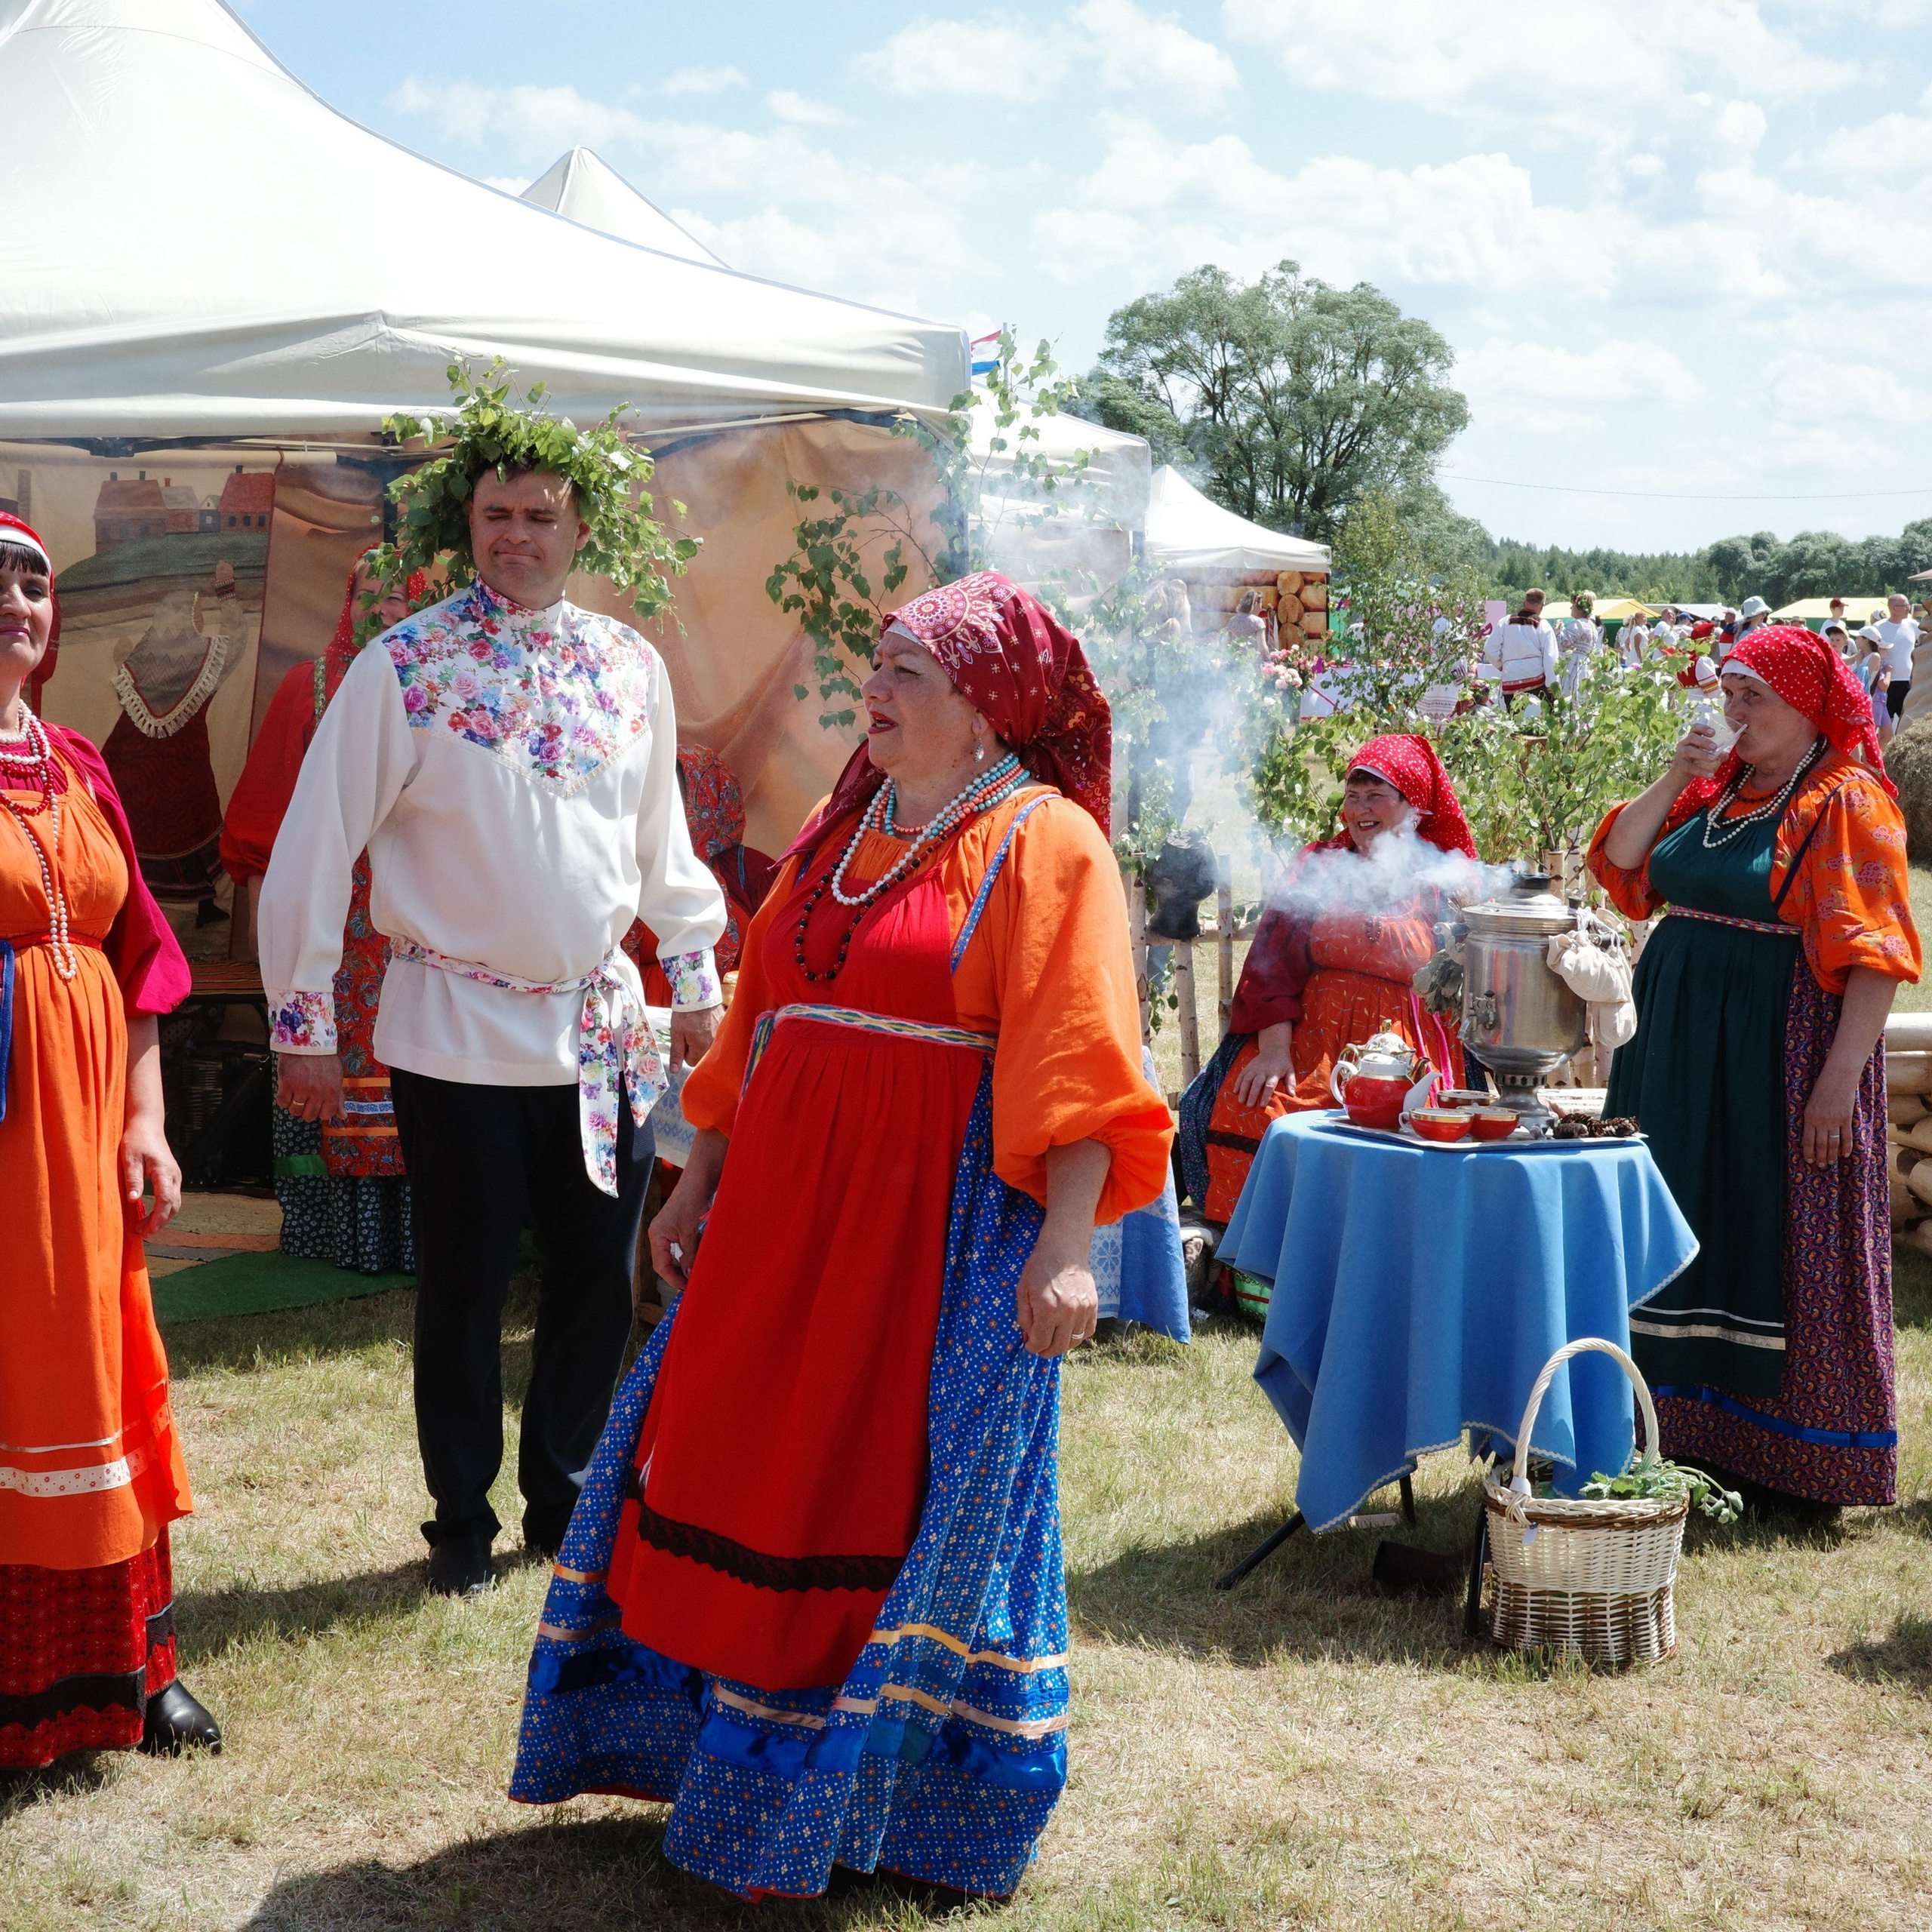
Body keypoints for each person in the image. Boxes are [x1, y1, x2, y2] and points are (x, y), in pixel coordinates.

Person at [508, 571, 1171, 1902]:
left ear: (989, 711)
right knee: (744, 1459)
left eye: (908, 672)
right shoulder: (837, 830)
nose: (872, 689)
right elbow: (763, 1015)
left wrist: (1070, 1244)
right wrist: (695, 1176)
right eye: (875, 662)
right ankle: (717, 1756)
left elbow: (1082, 1062)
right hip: (778, 1217)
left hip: (926, 1227)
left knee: (882, 1494)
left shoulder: (1050, 847)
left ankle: (892, 1804)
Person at [260, 438, 728, 1598]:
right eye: (495, 513)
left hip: (601, 1034)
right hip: (453, 1030)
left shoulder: (631, 667)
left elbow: (661, 846)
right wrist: (301, 1022)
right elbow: (316, 845)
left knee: (593, 1272)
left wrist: (695, 972)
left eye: (538, 514)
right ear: (466, 525)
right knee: (465, 1284)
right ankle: (460, 1521)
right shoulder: (403, 668)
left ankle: (563, 1496)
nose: (513, 534)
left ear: (582, 532)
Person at [1589, 626, 1918, 1513]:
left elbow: (1876, 957)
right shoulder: (1716, 787)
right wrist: (1672, 773)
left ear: (1809, 708)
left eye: (1752, 699)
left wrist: (1837, 1082)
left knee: (1769, 1220)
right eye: (1728, 693)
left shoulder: (1847, 799)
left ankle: (1792, 1458)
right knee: (1679, 1214)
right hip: (1677, 1044)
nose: (1732, 712)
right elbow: (1622, 866)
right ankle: (1672, 1433)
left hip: (1779, 1045)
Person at [0, 512, 220, 1764]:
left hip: (83, 1133)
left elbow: (140, 955)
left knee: (103, 1367)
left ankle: (132, 1667)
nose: (16, 600)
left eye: (33, 582)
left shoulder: (81, 763)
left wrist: (146, 1117)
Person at [221, 555, 429, 1273]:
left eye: (404, 593)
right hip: (333, 923)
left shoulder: (444, 687)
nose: (385, 604)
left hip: (415, 922)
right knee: (327, 1056)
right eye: (368, 590)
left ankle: (423, 1240)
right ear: (346, 600)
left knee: (417, 1065)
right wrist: (270, 929)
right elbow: (267, 818)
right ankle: (332, 1235)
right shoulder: (306, 686)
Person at [1176, 734, 1472, 1228]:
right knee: (1256, 1110)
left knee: (1387, 1138)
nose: (1360, 810)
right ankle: (1251, 1273)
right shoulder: (1322, 866)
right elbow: (1274, 959)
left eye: (1376, 796)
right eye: (1352, 797)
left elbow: (1465, 982)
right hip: (1312, 1043)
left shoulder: (1446, 881)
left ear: (1413, 804)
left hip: (1402, 1051)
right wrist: (1273, 1050)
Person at [1482, 588, 1557, 703]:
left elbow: (1489, 649)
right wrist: (1552, 686)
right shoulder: (1543, 625)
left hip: (1511, 681)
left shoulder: (1505, 622)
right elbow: (1550, 657)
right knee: (1539, 719)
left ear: (1524, 603)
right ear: (1542, 606)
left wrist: (1502, 665)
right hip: (1536, 682)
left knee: (1514, 719)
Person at [1872, 592, 1919, 728]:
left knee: (1909, 720)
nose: (1908, 608)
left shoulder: (1913, 625)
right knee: (1885, 723)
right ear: (1893, 608)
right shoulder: (1879, 627)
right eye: (1905, 605)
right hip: (1886, 683)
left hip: (1908, 682)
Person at [1555, 591, 1603, 697]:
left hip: (1573, 665)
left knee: (1570, 696)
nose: (1571, 608)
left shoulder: (1578, 624)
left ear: (1579, 608)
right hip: (1585, 665)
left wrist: (1557, 630)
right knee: (1582, 696)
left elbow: (1562, 643)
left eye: (1573, 605)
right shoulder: (1592, 626)